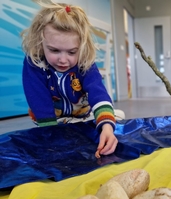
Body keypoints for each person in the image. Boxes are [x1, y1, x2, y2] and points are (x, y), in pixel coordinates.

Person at [21, 0, 118, 158]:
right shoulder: (34, 62)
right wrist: (52, 133)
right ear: (40, 42)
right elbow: (38, 100)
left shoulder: (85, 62)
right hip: (51, 119)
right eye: (54, 50)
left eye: (72, 52)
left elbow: (97, 91)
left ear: (81, 47)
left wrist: (107, 126)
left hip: (82, 117)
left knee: (114, 118)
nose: (63, 60)